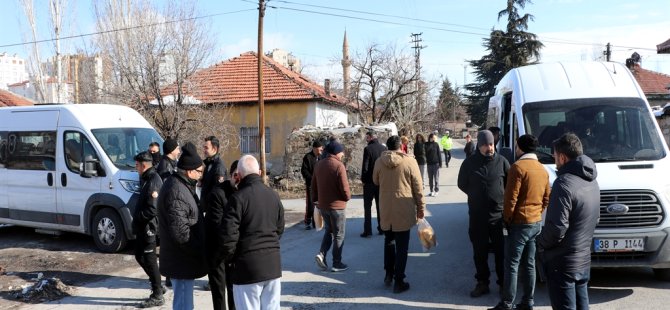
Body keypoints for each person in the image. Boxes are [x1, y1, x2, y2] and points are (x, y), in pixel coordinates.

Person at [538, 133, 599, 310]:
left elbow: (557, 228)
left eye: (555, 156)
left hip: (562, 262)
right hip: (583, 259)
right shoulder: (591, 180)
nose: (554, 161)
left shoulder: (563, 183)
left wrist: (540, 243)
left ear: (563, 157)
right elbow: (595, 219)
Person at [490, 135, 550, 310]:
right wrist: (537, 212)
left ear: (520, 148)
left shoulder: (517, 167)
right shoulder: (542, 169)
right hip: (535, 222)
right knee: (530, 263)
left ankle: (507, 302)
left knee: (512, 264)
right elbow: (547, 197)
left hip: (519, 223)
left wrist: (507, 220)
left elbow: (510, 199)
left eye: (516, 146)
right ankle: (528, 301)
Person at [221, 155, 285, 310]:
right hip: (272, 267)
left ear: (239, 176)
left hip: (246, 268)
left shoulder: (237, 199)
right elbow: (279, 229)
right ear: (260, 172)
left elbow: (228, 237)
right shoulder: (273, 196)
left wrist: (231, 259)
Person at [457, 130, 510, 298]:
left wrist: (499, 197)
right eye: (486, 145)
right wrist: (476, 194)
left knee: (501, 253)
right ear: (479, 145)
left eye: (492, 144)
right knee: (479, 252)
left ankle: (503, 283)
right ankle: (482, 283)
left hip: (498, 217)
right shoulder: (469, 163)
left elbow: (509, 184)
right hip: (478, 217)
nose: (490, 148)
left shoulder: (502, 162)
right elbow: (461, 184)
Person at [157, 142, 208, 310]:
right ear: (189, 171)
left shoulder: (182, 186)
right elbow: (181, 233)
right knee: (184, 305)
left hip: (182, 259)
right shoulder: (176, 191)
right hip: (182, 260)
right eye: (199, 172)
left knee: (184, 303)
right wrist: (199, 249)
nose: (201, 175)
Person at [373, 135, 425, 294]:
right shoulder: (410, 162)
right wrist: (421, 209)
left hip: (386, 208)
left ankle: (388, 274)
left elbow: (375, 181)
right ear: (401, 147)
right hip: (404, 208)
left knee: (389, 241)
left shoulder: (379, 162)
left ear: (387, 147)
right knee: (402, 247)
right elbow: (418, 188)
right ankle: (399, 280)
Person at [205, 160, 240, 310]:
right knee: (219, 292)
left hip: (234, 251)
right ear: (230, 175)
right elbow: (217, 226)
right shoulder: (218, 193)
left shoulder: (244, 192)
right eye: (235, 176)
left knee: (234, 290)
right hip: (216, 250)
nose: (238, 180)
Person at [131, 151, 165, 308]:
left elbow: (152, 209)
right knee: (140, 256)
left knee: (149, 259)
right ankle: (157, 283)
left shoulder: (153, 180)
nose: (135, 167)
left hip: (149, 228)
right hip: (142, 227)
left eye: (137, 165)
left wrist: (138, 217)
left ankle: (157, 293)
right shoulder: (145, 178)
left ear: (144, 165)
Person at [312, 141, 351, 272]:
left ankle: (322, 254)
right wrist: (347, 198)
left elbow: (313, 186)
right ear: (336, 152)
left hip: (323, 206)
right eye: (341, 152)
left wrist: (315, 200)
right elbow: (345, 188)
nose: (342, 154)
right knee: (339, 234)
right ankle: (337, 263)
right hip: (337, 206)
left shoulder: (318, 165)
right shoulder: (339, 166)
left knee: (328, 231)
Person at [360, 131, 387, 237]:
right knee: (380, 206)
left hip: (369, 183)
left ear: (370, 137)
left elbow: (365, 167)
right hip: (380, 182)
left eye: (367, 137)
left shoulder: (367, 149)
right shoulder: (383, 149)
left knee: (367, 207)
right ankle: (382, 228)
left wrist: (364, 180)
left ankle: (368, 231)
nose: (366, 139)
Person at [301, 140, 324, 230]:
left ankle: (316, 222)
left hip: (320, 185)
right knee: (310, 204)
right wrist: (312, 179)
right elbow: (304, 170)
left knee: (319, 204)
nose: (322, 149)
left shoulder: (322, 158)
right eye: (320, 147)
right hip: (311, 185)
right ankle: (307, 221)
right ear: (315, 148)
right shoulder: (308, 157)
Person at [202, 136, 227, 210]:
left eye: (206, 148)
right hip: (208, 209)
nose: (204, 150)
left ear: (215, 149)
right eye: (204, 148)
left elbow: (218, 191)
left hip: (214, 210)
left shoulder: (219, 166)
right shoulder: (209, 164)